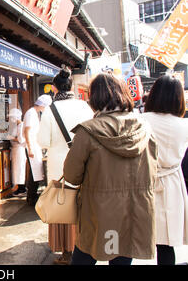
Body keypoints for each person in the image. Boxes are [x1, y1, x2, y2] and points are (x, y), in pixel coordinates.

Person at [63, 73, 158, 265]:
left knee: (84, 255)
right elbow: (153, 171)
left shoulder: (87, 131)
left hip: (97, 213)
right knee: (121, 256)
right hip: (134, 210)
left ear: (95, 98)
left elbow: (71, 176)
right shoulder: (145, 129)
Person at [37, 68, 93, 265]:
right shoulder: (85, 107)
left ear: (54, 88)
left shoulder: (50, 111)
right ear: (71, 86)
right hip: (85, 165)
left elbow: (43, 141)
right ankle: (84, 247)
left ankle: (66, 252)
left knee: (61, 206)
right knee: (82, 207)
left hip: (59, 167)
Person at [141, 75, 188, 265]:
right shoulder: (183, 125)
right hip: (172, 183)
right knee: (167, 243)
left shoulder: (141, 120)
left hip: (145, 181)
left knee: (135, 237)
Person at [23, 94, 52, 204]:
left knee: (35, 171)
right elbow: (27, 131)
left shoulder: (34, 113)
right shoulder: (31, 113)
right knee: (33, 172)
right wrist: (30, 148)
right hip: (31, 146)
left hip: (35, 145)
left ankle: (32, 195)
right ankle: (31, 197)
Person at [6, 108, 27, 196]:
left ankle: (21, 189)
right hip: (15, 149)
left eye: (12, 118)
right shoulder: (17, 126)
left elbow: (21, 139)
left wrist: (10, 137)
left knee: (19, 169)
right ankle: (19, 187)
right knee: (17, 170)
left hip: (19, 149)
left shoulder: (21, 125)